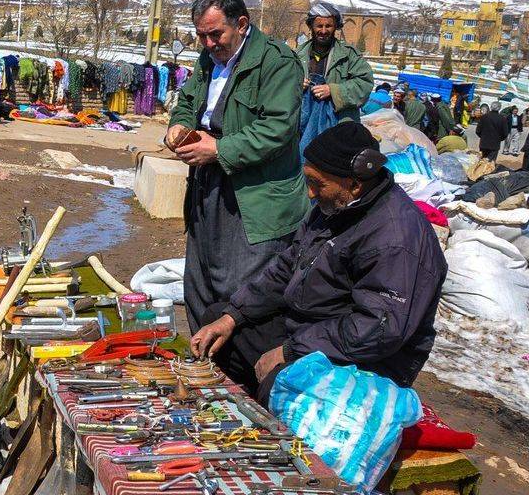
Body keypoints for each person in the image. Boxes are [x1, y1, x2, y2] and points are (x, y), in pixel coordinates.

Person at [191, 121, 446, 399]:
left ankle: (272, 407)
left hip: (368, 360)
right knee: (219, 325)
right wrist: (233, 316)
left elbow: (377, 330)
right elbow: (285, 269)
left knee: (281, 382)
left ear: (355, 185)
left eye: (318, 184)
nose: (310, 193)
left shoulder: (394, 239)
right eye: (308, 181)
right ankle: (258, 396)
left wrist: (290, 351)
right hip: (312, 331)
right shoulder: (335, 207)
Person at [165, 0, 307, 393]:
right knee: (200, 283)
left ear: (242, 24)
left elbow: (277, 129)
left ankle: (243, 388)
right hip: (207, 185)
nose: (209, 44)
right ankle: (206, 375)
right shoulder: (207, 60)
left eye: (216, 34)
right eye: (202, 36)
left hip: (256, 196)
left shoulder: (278, 63)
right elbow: (187, 102)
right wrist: (179, 126)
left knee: (241, 292)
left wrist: (219, 149)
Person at [295, 1, 373, 156]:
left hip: (338, 126)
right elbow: (280, 86)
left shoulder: (349, 55)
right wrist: (295, 85)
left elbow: (365, 84)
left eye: (328, 26)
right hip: (302, 126)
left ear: (335, 27)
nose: (323, 31)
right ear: (311, 26)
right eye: (319, 26)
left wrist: (333, 90)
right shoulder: (298, 55)